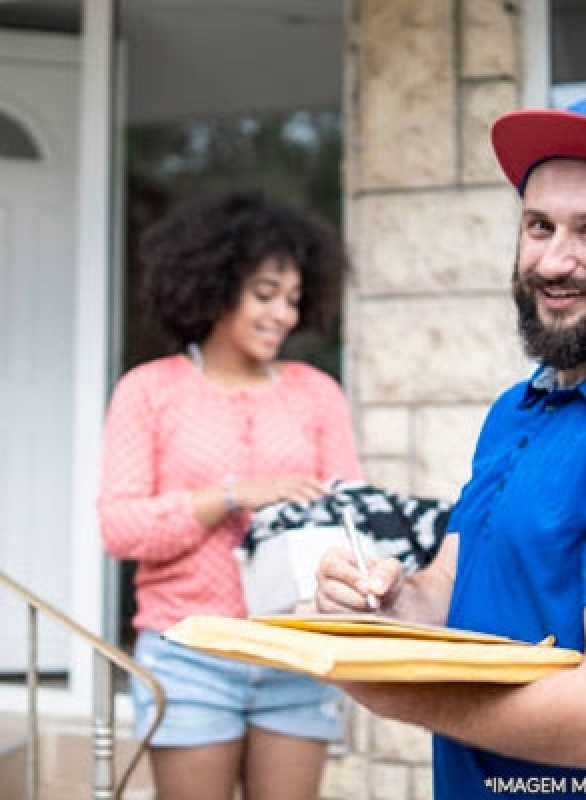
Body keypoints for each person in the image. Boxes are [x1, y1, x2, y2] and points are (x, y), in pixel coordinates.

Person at [313, 94, 586, 799]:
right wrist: (384, 603)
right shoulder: (518, 408)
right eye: (539, 225)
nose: (554, 260)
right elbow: (449, 589)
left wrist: (389, 689)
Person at [98, 190, 361, 800]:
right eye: (265, 294)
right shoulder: (148, 391)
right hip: (190, 654)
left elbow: (352, 509)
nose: (283, 315)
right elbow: (120, 527)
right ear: (212, 285)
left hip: (297, 655)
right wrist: (232, 494)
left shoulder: (317, 393)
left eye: (293, 299)